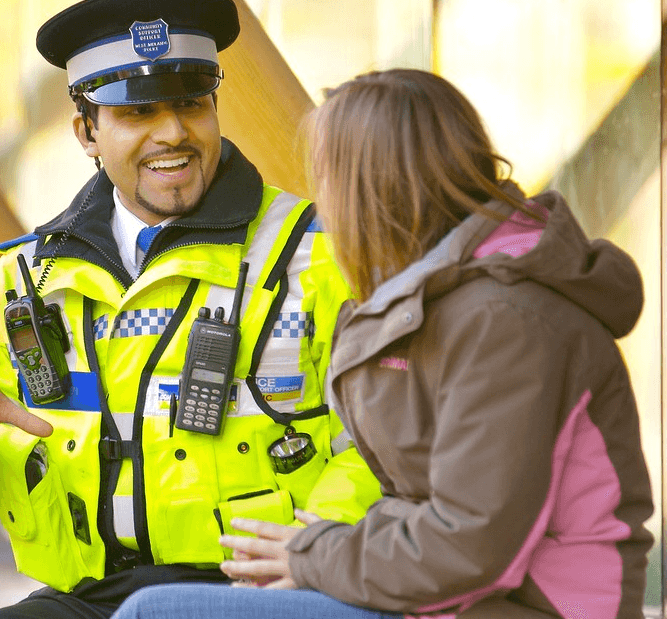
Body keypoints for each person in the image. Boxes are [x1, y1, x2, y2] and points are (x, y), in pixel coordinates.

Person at [0, 0, 382, 619]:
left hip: (268, 592)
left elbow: (390, 448)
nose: (173, 133)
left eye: (192, 104)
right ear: (87, 132)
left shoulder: (322, 256)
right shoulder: (21, 282)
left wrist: (314, 549)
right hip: (90, 598)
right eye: (138, 113)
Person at [109, 68, 655, 619]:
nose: (323, 204)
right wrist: (320, 553)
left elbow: (472, 544)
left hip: (539, 607)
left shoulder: (504, 320)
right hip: (454, 597)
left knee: (155, 614)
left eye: (327, 179)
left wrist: (317, 557)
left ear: (371, 188)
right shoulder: (437, 299)